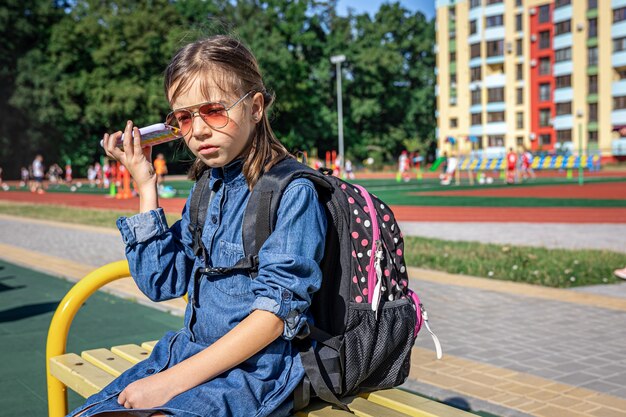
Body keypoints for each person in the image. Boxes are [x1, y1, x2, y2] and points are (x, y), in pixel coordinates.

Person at [71, 35, 327, 417]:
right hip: (189, 353)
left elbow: (274, 318)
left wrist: (169, 383)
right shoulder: (207, 189)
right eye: (184, 118)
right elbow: (161, 282)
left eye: (214, 111)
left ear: (255, 108)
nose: (199, 130)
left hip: (256, 373)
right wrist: (145, 185)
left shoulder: (291, 192)